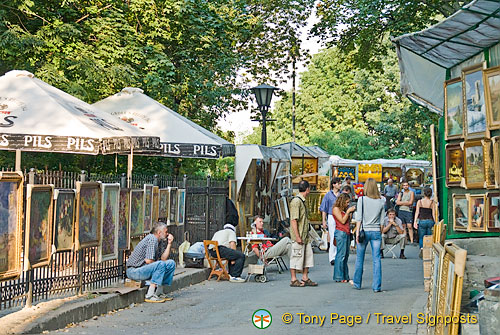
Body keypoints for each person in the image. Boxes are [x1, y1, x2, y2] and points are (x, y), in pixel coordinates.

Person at [126, 222, 176, 303]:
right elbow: (148, 261)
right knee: (160, 264)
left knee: (171, 263)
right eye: (166, 232)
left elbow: (163, 258)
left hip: (143, 269)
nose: (168, 234)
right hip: (134, 271)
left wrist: (169, 244)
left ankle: (159, 292)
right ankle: (150, 295)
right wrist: (159, 265)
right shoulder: (152, 239)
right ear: (159, 233)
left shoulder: (159, 241)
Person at [352, 178, 385, 292]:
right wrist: (380, 233)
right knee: (376, 259)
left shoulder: (362, 200)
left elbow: (359, 218)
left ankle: (357, 283)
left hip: (364, 231)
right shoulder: (381, 201)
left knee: (360, 258)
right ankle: (376, 286)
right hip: (376, 231)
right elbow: (382, 221)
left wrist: (357, 233)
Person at [289, 180, 317, 287]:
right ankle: (293, 279)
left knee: (307, 256)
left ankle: (305, 277)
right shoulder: (297, 201)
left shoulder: (302, 201)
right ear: (308, 189)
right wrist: (297, 236)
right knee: (296, 256)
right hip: (299, 234)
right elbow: (293, 220)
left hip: (305, 234)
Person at [332, 193, 356, 283]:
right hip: (340, 232)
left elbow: (348, 221)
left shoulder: (344, 209)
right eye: (346, 202)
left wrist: (349, 212)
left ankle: (345, 275)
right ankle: (339, 276)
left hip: (346, 232)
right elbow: (342, 221)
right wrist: (348, 211)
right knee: (340, 255)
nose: (348, 204)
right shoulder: (336, 209)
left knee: (346, 255)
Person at [319, 177, 341, 266]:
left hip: (340, 216)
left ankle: (338, 255)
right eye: (338, 183)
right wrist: (324, 221)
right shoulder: (328, 195)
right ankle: (332, 257)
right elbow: (324, 208)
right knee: (332, 236)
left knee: (339, 235)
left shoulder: (341, 194)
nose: (340, 185)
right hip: (331, 216)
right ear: (334, 184)